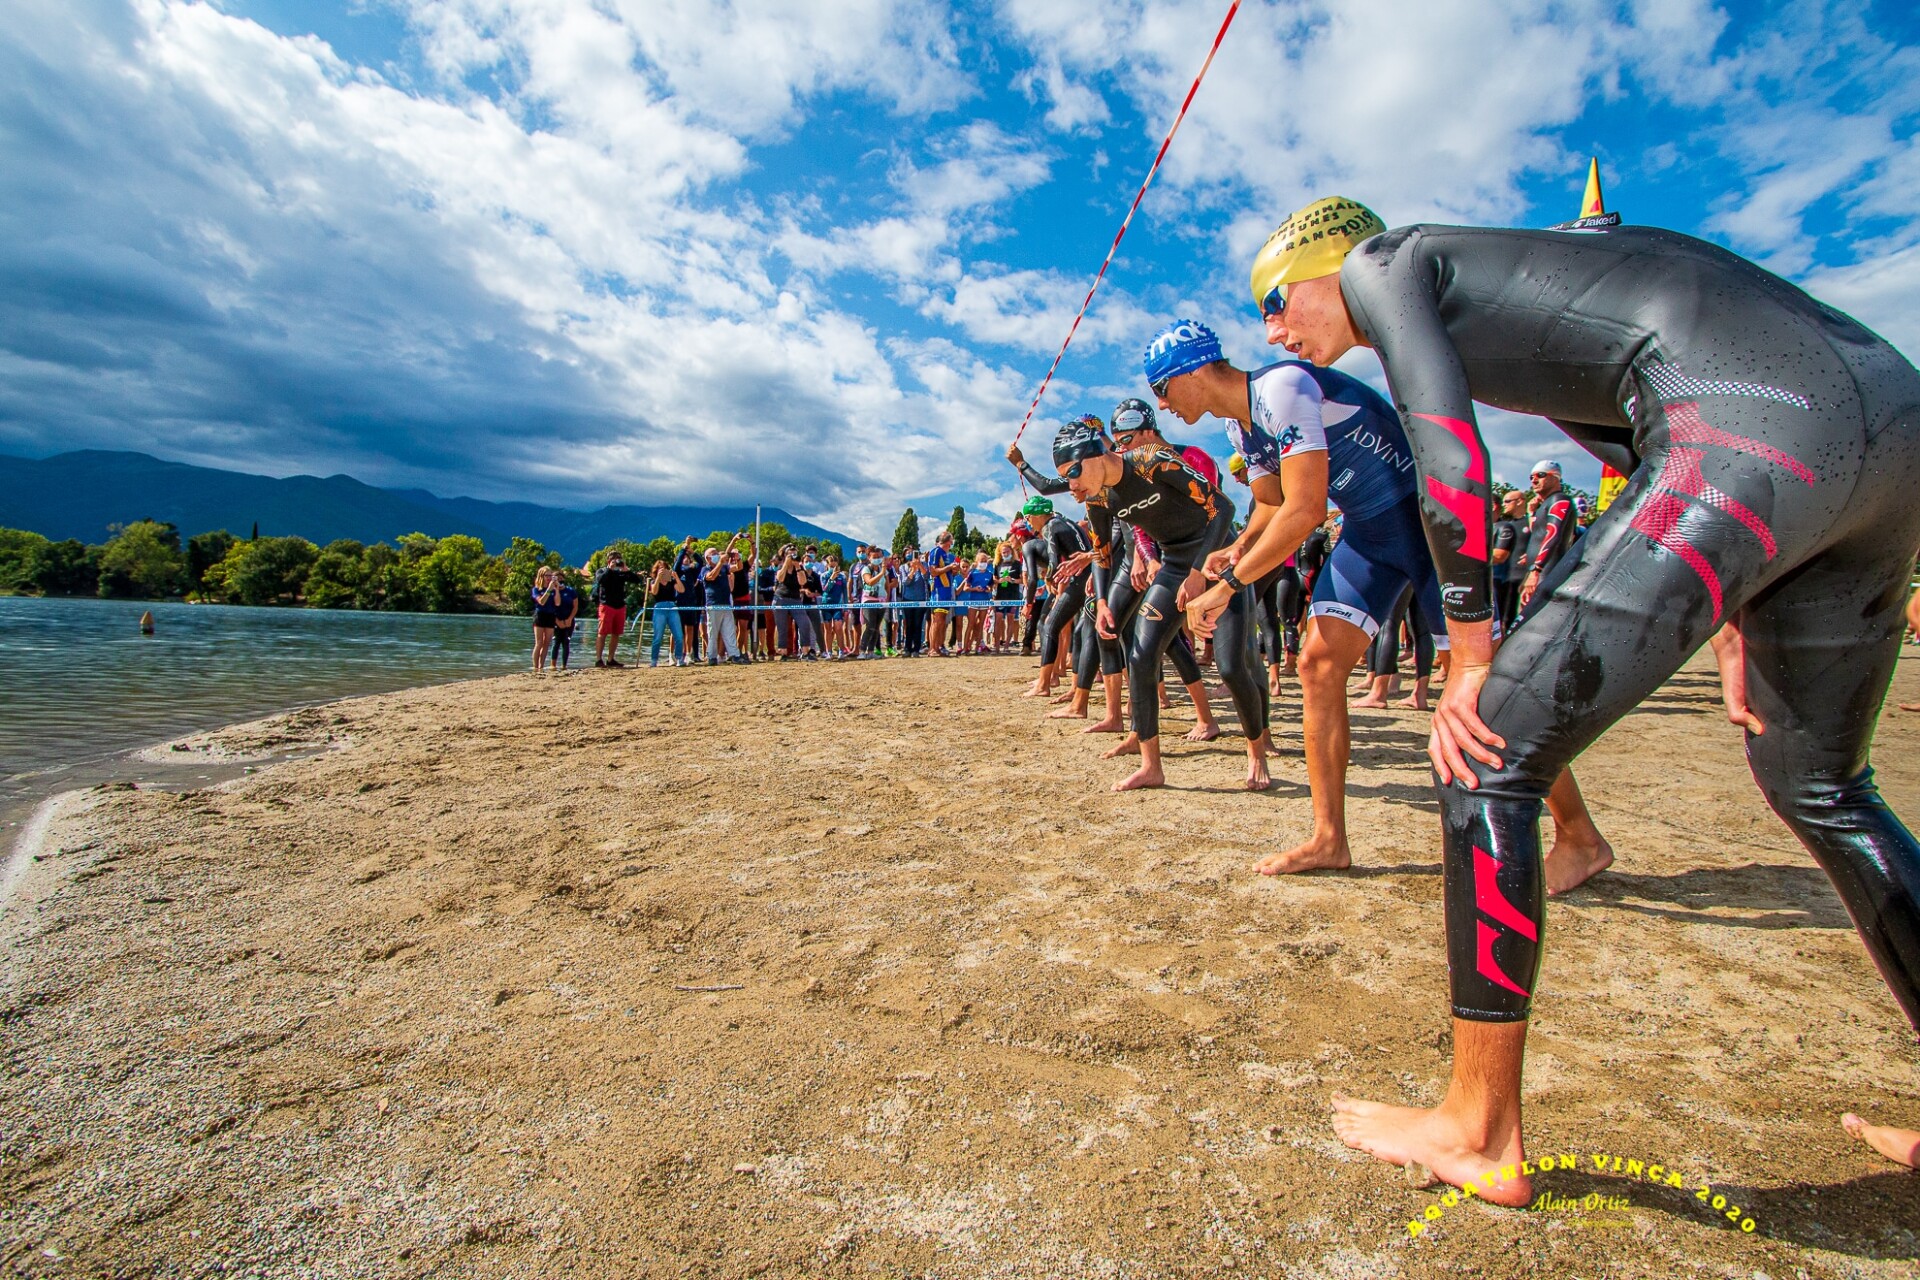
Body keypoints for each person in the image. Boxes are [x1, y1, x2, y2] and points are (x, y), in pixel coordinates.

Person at [1251, 194, 1920, 1197]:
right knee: (1821, 781)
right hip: (1888, 425)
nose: (1272, 330)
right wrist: (1733, 590)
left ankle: (1477, 1128)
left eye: (1272, 298)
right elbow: (1627, 443)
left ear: (1326, 261)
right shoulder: (1535, 288)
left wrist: (1474, 651)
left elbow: (1452, 452)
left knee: (1485, 747)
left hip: (1754, 426)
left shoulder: (1387, 264)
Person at [1054, 418, 1271, 791]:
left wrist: (1202, 569)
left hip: (1216, 558)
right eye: (1065, 477)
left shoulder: (1150, 460)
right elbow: (1103, 557)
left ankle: (1257, 751)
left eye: (1073, 471)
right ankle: (1151, 765)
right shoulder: (1099, 498)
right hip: (1174, 566)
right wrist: (1103, 602)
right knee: (1141, 655)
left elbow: (1222, 508)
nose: (1071, 484)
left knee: (1233, 666)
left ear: (1097, 454)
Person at [1517, 461, 1577, 618]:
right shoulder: (1546, 504)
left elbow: (1553, 534)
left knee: (1532, 621)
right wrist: (1531, 512)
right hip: (1538, 571)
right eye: (1531, 477)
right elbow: (1538, 534)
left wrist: (1536, 570)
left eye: (1540, 475)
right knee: (1522, 621)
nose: (1534, 480)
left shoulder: (1560, 500)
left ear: (1556, 478)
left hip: (1545, 572)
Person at [702, 538, 747, 665]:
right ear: (708, 558)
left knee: (730, 630)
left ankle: (734, 655)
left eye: (717, 553)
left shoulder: (724, 567)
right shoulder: (704, 569)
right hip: (713, 605)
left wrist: (736, 555)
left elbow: (738, 567)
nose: (717, 555)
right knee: (713, 632)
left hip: (726, 604)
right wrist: (720, 563)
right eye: (714, 553)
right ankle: (712, 656)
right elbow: (711, 576)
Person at [592, 552, 640, 668]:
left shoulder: (621, 573)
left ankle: (610, 658)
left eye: (619, 558)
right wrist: (610, 569)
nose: (617, 561)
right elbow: (601, 580)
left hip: (620, 606)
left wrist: (626, 570)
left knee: (616, 633)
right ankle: (598, 659)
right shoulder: (602, 571)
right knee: (602, 633)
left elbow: (637, 580)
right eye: (614, 559)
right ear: (609, 560)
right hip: (606, 605)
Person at [1489, 490, 1529, 633]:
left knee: (1505, 620)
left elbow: (1500, 555)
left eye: (1508, 501)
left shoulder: (1507, 526)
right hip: (1496, 578)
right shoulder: (1504, 524)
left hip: (1510, 578)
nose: (1505, 505)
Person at [672, 538, 706, 663]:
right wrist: (683, 548)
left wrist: (691, 552)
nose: (686, 559)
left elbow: (701, 563)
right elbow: (676, 566)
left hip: (691, 602)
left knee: (691, 628)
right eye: (684, 557)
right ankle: (678, 655)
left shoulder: (692, 571)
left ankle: (688, 654)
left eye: (688, 558)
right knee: (679, 630)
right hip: (679, 602)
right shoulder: (678, 571)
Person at [647, 558, 685, 666]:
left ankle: (679, 658)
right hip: (659, 608)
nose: (663, 570)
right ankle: (654, 660)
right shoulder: (654, 581)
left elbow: (682, 590)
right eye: (660, 569)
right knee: (658, 636)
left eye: (664, 568)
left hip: (672, 607)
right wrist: (659, 578)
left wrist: (676, 577)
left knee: (679, 635)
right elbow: (654, 592)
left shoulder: (671, 582)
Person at [927, 530, 958, 655]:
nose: (952, 543)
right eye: (951, 540)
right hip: (938, 590)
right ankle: (932, 648)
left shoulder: (947, 554)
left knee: (942, 621)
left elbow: (947, 572)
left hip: (946, 590)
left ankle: (938, 647)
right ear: (947, 540)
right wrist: (949, 567)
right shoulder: (936, 551)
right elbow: (933, 571)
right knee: (937, 620)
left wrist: (953, 570)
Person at [897, 551, 930, 655]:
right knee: (909, 624)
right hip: (908, 599)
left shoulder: (924, 565)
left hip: (920, 600)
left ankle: (916, 648)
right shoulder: (903, 567)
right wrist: (912, 571)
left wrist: (919, 565)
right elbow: (905, 582)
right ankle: (907, 648)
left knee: (918, 624)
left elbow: (926, 577)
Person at [530, 565, 560, 673]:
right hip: (540, 615)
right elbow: (541, 602)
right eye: (547, 575)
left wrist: (556, 589)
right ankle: (535, 667)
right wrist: (548, 590)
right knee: (539, 642)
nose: (549, 578)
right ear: (541, 576)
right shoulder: (536, 589)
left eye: (551, 575)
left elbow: (557, 603)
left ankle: (541, 666)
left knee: (547, 642)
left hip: (550, 616)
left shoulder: (552, 589)